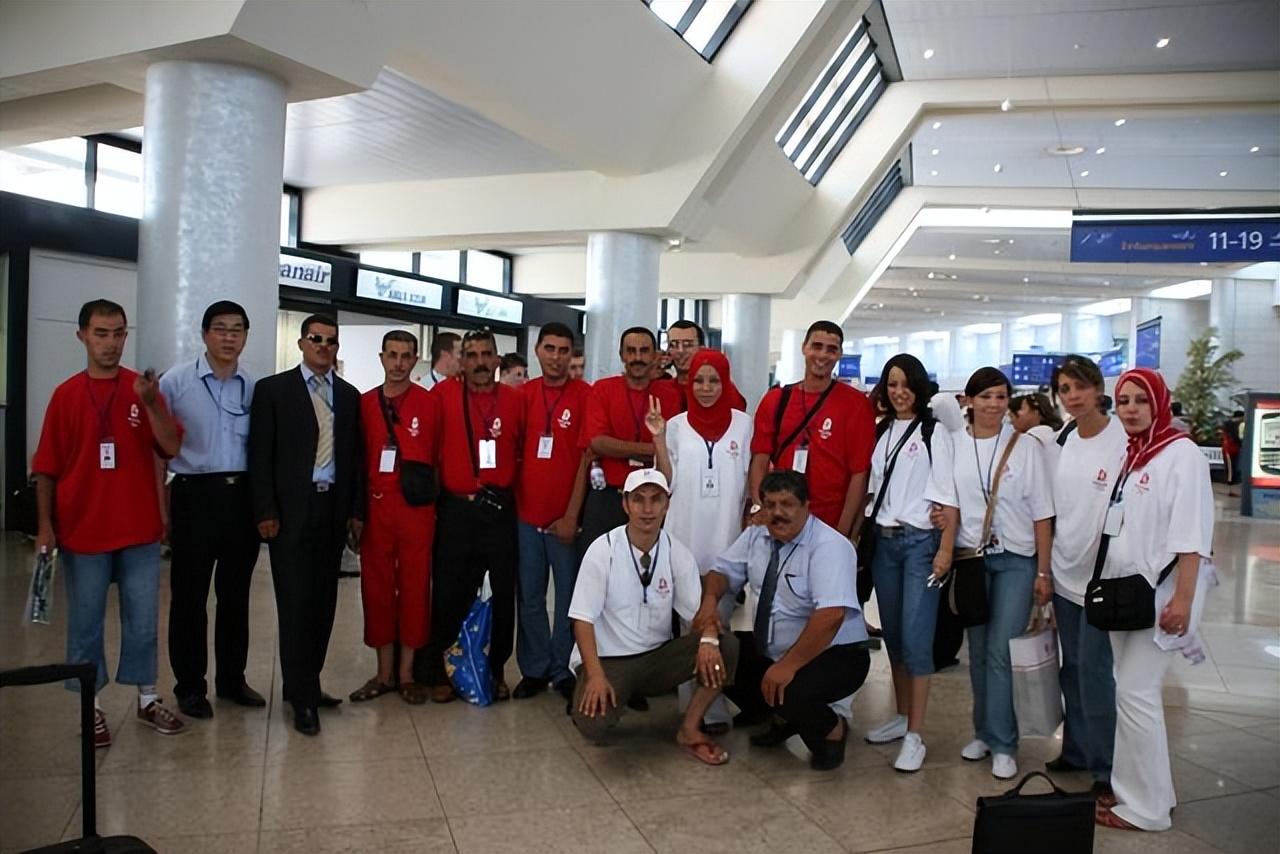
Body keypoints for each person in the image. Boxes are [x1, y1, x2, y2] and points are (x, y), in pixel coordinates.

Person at [33, 299, 186, 745]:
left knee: (143, 620)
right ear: (82, 335)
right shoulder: (66, 396)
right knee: (86, 623)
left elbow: (171, 446)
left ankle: (147, 698)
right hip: (83, 531)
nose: (111, 343)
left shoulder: (142, 390)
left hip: (138, 528)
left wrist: (152, 404)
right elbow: (46, 468)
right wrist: (45, 527)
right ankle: (91, 706)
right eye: (101, 333)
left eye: (119, 333)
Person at [1095, 368, 1213, 833]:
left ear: (1159, 402)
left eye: (1140, 399)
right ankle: (1142, 792)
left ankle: (1147, 809)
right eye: (1123, 400)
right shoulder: (1134, 454)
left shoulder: (1180, 453)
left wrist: (1183, 599)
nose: (1130, 409)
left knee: (1136, 692)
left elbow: (1192, 535)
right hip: (1127, 593)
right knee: (1129, 691)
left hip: (1163, 595)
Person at [925, 366, 1054, 780]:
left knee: (1001, 650)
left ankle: (1004, 742)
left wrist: (1044, 572)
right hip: (972, 559)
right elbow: (948, 500)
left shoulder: (1026, 446)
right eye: (985, 397)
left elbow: (1043, 513)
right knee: (978, 651)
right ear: (969, 401)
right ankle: (983, 731)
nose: (994, 405)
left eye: (1001, 396)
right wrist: (944, 539)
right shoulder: (955, 443)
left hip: (1016, 559)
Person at [697, 470, 871, 771]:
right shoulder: (757, 535)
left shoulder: (830, 546)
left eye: (787, 504)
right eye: (770, 505)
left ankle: (833, 730)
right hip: (775, 648)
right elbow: (721, 572)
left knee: (790, 691)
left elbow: (830, 617)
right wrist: (710, 603)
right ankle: (774, 713)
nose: (777, 513)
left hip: (836, 653)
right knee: (719, 651)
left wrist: (787, 667)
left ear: (806, 506)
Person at [568, 468, 738, 764]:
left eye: (655, 499)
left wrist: (709, 639)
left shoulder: (677, 553)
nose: (647, 509)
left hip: (656, 658)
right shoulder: (602, 550)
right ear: (625, 504)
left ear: (666, 504)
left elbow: (699, 615)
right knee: (593, 727)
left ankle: (689, 729)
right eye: (638, 499)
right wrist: (595, 676)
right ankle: (612, 692)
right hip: (610, 659)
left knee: (726, 646)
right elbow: (581, 620)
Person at [249, 313, 363, 736]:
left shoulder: (348, 396)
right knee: (294, 605)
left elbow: (354, 458)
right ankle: (300, 696)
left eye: (331, 341)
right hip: (290, 513)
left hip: (331, 510)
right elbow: (260, 455)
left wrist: (355, 512)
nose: (323, 346)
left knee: (323, 605)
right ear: (301, 343)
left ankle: (309, 682)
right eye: (316, 339)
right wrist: (265, 511)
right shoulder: (273, 391)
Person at [158, 300, 263, 719]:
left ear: (245, 337)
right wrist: (161, 508)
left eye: (237, 330)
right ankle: (189, 686)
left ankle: (232, 680)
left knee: (235, 597)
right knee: (190, 598)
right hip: (192, 496)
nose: (228, 337)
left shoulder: (252, 386)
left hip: (240, 499)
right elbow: (157, 448)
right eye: (220, 329)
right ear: (204, 334)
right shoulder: (176, 382)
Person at [649, 348, 752, 734]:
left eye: (714, 381)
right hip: (684, 539)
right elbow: (665, 481)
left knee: (719, 623)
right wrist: (658, 440)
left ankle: (714, 708)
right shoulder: (675, 426)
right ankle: (690, 707)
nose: (706, 388)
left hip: (726, 542)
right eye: (699, 381)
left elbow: (751, 480)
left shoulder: (744, 426)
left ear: (725, 383)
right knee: (688, 624)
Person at [423, 328, 525, 702]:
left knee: (503, 592)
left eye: (486, 354)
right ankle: (444, 670)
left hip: (499, 509)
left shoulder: (515, 401)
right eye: (472, 355)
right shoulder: (442, 396)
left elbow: (523, 451)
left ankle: (495, 670)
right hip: (457, 510)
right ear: (461, 362)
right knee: (449, 590)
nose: (480, 362)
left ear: (497, 359)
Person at [1044, 355, 1127, 796]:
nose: (1073, 396)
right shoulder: (1061, 440)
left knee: (1095, 671)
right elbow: (1051, 509)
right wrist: (1045, 571)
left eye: (1080, 387)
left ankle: (1105, 766)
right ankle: (1075, 749)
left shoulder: (1121, 440)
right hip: (1065, 571)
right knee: (1071, 667)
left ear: (1098, 389)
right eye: (1064, 389)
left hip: (1103, 578)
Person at [860, 355, 946, 773]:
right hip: (884, 542)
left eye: (906, 384)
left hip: (920, 544)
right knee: (893, 635)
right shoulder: (880, 431)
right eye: (892, 384)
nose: (899, 392)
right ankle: (900, 715)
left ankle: (915, 735)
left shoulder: (935, 431)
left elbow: (947, 491)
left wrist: (945, 547)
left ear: (919, 387)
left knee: (916, 639)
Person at [349, 331, 439, 705]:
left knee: (416, 588)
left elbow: (439, 456)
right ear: (382, 357)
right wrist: (355, 513)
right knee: (377, 589)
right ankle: (383, 673)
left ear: (415, 359)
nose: (399, 363)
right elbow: (356, 461)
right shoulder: (365, 404)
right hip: (376, 507)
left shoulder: (429, 403)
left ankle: (406, 674)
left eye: (406, 356)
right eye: (392, 355)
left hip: (417, 509)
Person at [513, 323, 592, 702]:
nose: (556, 357)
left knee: (568, 599)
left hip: (565, 519)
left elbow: (586, 458)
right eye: (550, 349)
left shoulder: (586, 396)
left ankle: (563, 669)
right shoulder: (522, 396)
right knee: (529, 597)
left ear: (572, 354)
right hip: (526, 516)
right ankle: (534, 668)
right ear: (538, 350)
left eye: (563, 350)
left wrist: (572, 515)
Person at [749, 321, 876, 539]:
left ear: (839, 355)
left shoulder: (856, 404)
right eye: (817, 346)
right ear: (804, 348)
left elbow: (859, 474)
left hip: (830, 522)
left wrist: (842, 533)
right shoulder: (775, 400)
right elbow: (760, 459)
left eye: (831, 349)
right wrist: (761, 508)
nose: (823, 355)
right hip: (781, 519)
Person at [579, 327, 683, 556]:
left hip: (651, 500)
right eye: (631, 351)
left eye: (644, 351)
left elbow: (673, 450)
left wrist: (618, 447)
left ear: (655, 355)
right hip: (608, 498)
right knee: (599, 566)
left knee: (650, 568)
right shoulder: (603, 389)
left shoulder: (669, 394)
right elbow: (598, 443)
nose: (637, 357)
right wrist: (652, 449)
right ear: (622, 355)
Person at [1010, 391, 1064, 477]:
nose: (1015, 414)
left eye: (1022, 408)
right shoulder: (1057, 439)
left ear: (1037, 412)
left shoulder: (1025, 442)